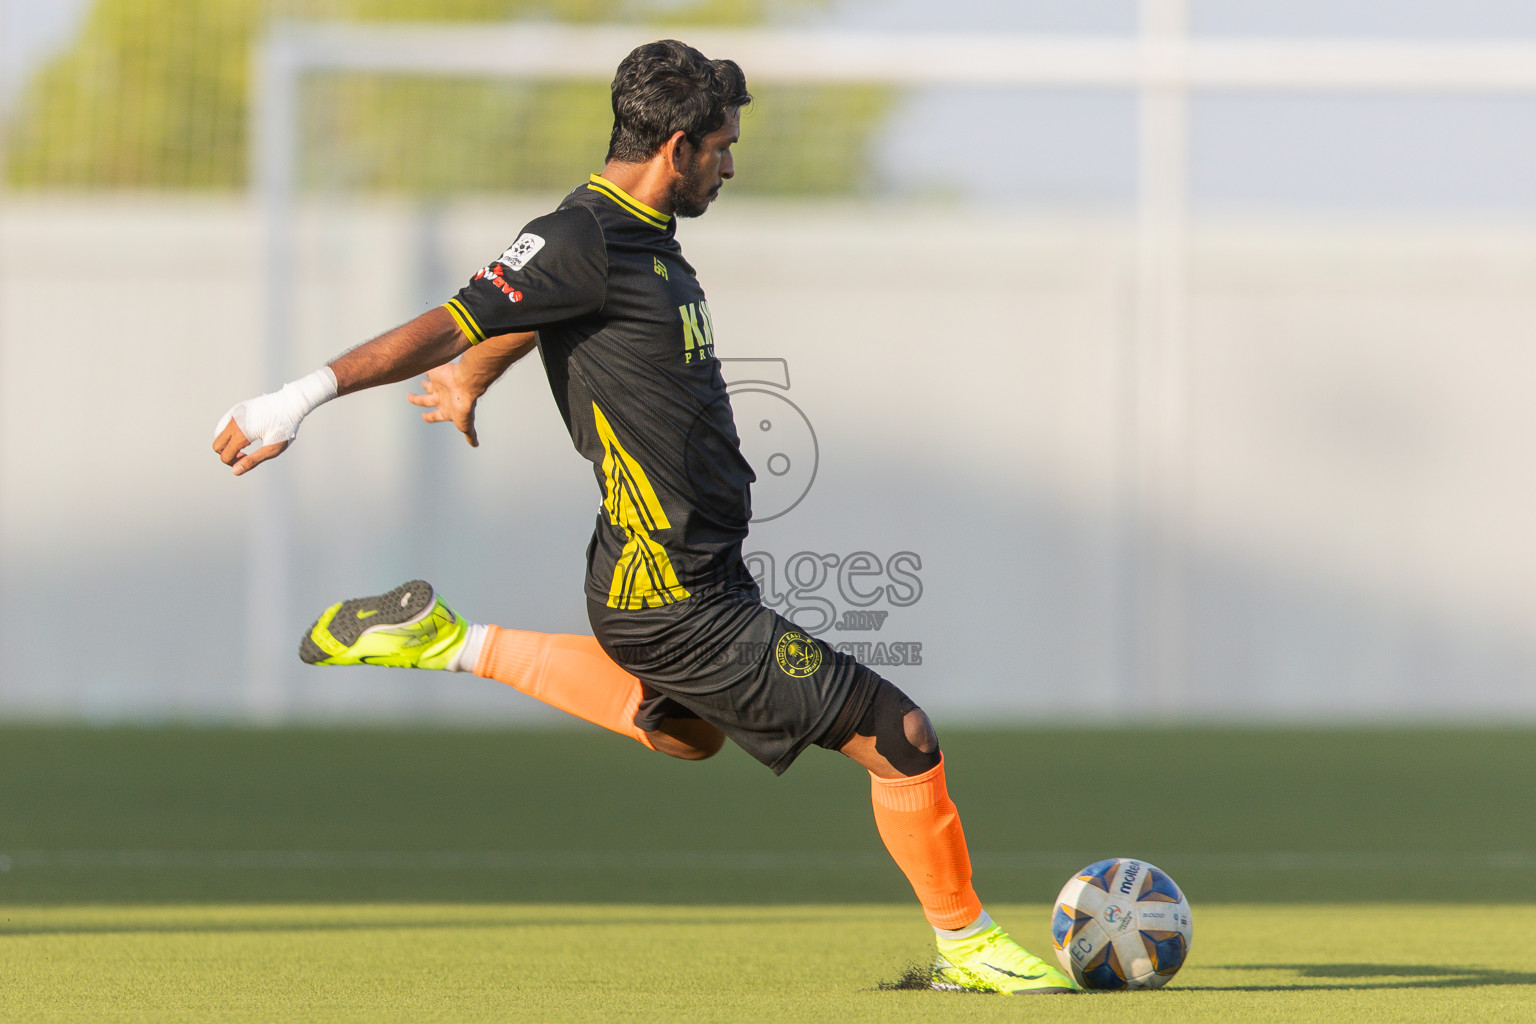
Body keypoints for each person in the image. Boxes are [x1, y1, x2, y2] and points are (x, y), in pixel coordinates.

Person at [212, 38, 1076, 996]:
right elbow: (454, 314)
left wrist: (473, 377)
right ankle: (970, 944)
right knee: (902, 734)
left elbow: (529, 316)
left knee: (687, 735)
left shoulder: (634, 238)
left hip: (674, 577)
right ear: (676, 146)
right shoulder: (581, 234)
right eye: (722, 145)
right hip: (673, 594)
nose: (732, 164)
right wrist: (298, 398)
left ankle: (446, 641)